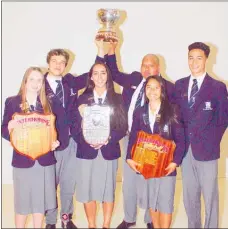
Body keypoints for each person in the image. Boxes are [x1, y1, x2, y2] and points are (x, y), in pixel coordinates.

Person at [96, 39, 175, 228]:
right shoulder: (133, 79)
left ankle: (149, 219)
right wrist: (111, 50)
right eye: (144, 65)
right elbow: (112, 73)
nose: (147, 69)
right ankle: (129, 218)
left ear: (158, 68)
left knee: (150, 180)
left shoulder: (167, 88)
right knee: (129, 182)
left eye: (151, 65)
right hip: (129, 138)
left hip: (154, 143)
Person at [174, 42, 228, 228]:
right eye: (191, 57)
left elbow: (222, 121)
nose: (194, 62)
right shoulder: (179, 85)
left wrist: (211, 142)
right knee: (190, 196)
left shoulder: (217, 87)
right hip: (185, 151)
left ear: (206, 60)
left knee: (210, 195)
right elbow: (176, 117)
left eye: (199, 58)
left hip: (207, 151)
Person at [1, 67, 62, 228]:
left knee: (40, 201)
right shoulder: (12, 102)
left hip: (44, 160)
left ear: (43, 83)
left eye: (39, 80)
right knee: (22, 203)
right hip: (23, 159)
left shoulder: (49, 103)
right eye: (32, 79)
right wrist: (10, 129)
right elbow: (3, 129)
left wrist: (55, 142)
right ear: (25, 81)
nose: (36, 83)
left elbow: (54, 130)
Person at [70, 62, 128, 228]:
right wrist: (87, 139)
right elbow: (74, 127)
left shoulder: (117, 98)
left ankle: (106, 224)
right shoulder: (81, 99)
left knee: (108, 190)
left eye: (103, 73)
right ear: (91, 76)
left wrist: (108, 138)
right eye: (96, 73)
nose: (100, 77)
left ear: (108, 76)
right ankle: (91, 225)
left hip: (108, 151)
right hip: (86, 151)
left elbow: (123, 126)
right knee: (88, 191)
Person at [126, 75, 185, 228]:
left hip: (166, 166)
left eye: (156, 87)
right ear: (145, 90)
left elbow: (181, 140)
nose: (152, 91)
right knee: (152, 202)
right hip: (147, 164)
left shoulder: (172, 110)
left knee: (165, 202)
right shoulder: (139, 112)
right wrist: (129, 157)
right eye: (149, 87)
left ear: (162, 90)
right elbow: (133, 135)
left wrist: (175, 162)